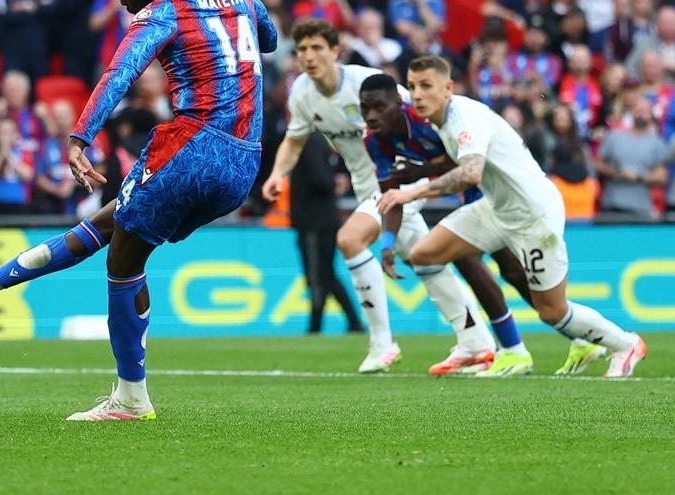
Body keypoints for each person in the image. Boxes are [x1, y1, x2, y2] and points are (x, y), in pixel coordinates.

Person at [0, 0, 279, 420]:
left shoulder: (160, 12)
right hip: (245, 160)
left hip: (193, 146)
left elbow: (119, 74)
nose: (121, 3)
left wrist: (79, 138)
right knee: (110, 224)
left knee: (122, 257)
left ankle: (131, 397)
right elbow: (270, 40)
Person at [378, 56, 647, 378]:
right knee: (423, 254)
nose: (417, 94)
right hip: (495, 208)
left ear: (448, 88)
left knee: (552, 311)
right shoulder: (438, 117)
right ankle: (475, 342)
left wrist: (410, 192)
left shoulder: (464, 117)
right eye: (412, 87)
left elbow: (470, 173)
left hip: (534, 216)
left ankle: (625, 343)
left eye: (425, 86)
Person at [260, 20, 491, 373]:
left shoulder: (365, 83)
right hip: (368, 186)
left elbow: (417, 113)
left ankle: (382, 343)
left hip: (403, 177)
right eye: (302, 49)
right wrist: (278, 173)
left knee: (350, 239)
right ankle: (476, 341)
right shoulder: (302, 93)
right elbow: (294, 140)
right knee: (425, 260)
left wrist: (438, 162)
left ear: (335, 52)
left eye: (317, 48)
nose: (308, 56)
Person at [289, 131, 363, 335]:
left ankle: (316, 328)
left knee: (318, 276)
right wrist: (335, 182)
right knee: (327, 274)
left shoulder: (309, 139)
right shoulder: (319, 139)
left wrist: (331, 183)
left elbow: (320, 178)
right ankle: (354, 323)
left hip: (314, 220)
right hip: (324, 218)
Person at [595, 97, 668, 218]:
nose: (640, 114)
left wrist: (638, 177)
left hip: (641, 207)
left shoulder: (657, 143)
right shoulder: (614, 136)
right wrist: (617, 172)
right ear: (632, 112)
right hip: (612, 204)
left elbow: (661, 176)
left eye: (644, 111)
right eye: (638, 110)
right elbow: (598, 164)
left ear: (651, 115)